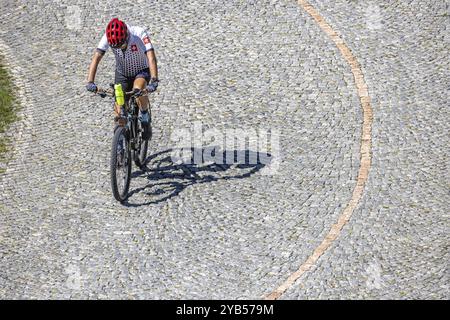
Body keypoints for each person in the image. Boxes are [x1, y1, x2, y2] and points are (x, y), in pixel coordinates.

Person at [86, 18, 158, 139]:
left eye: (122, 45)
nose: (120, 48)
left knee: (138, 89)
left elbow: (151, 57)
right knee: (119, 108)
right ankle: (120, 144)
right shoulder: (107, 37)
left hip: (141, 70)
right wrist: (90, 81)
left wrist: (154, 80)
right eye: (116, 47)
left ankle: (145, 116)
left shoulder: (139, 34)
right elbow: (97, 57)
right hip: (122, 73)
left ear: (127, 36)